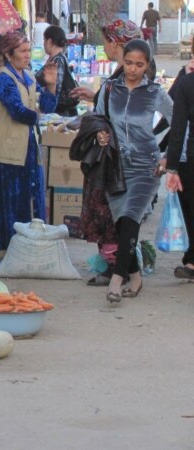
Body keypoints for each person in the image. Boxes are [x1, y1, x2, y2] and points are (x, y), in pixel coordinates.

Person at [94, 39, 173, 303]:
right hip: (117, 166)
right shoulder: (109, 89)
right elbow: (98, 120)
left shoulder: (154, 92)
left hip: (146, 166)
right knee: (122, 225)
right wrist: (102, 135)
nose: (133, 69)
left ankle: (117, 279)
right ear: (122, 61)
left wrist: (166, 156)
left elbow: (178, 121)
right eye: (129, 63)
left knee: (129, 219)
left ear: (147, 66)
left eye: (139, 65)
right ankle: (136, 278)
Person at [70, 19, 144, 287]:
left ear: (116, 43)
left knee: (111, 213)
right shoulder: (120, 74)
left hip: (118, 159)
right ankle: (117, 268)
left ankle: (120, 270)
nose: (105, 47)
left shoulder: (130, 75)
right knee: (109, 212)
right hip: (111, 154)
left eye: (106, 42)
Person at [0, 31, 58, 264]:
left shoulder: (29, 76)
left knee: (26, 202)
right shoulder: (3, 78)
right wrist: (38, 116)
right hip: (5, 152)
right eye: (22, 51)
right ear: (8, 54)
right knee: (4, 204)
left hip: (26, 150)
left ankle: (24, 251)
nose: (27, 55)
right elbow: (18, 111)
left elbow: (48, 105)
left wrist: (51, 86)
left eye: (28, 51)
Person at [159, 64, 194, 279]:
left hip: (191, 159)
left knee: (190, 210)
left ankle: (192, 261)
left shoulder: (187, 83)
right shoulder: (187, 83)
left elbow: (178, 126)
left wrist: (172, 167)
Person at [38, 25, 78, 117]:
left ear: (49, 41)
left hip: (59, 113)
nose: (43, 43)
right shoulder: (58, 58)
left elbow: (56, 88)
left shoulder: (57, 61)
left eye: (44, 40)